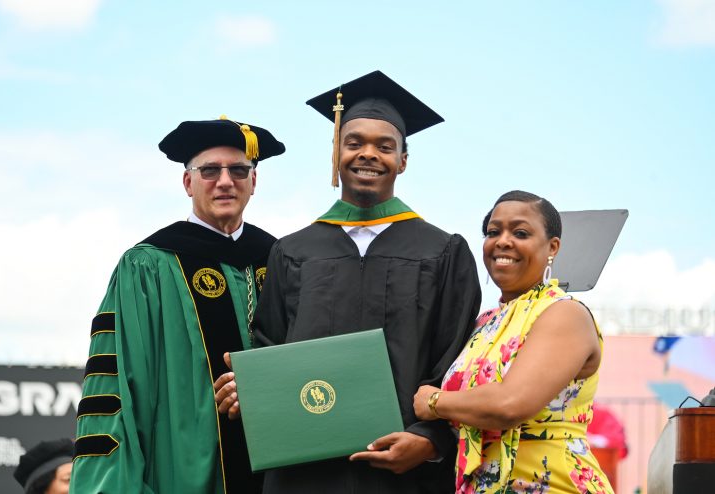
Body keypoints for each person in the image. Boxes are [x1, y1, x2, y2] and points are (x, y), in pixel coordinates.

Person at [215, 70, 482, 493]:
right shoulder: (293, 251)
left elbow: (459, 361)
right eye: (354, 142)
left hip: (406, 473)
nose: (368, 155)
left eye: (385, 146)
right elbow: (270, 347)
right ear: (336, 150)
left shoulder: (443, 252)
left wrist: (430, 440)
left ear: (404, 161)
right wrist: (252, 387)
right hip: (304, 469)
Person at [70, 116, 285, 493]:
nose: (224, 181)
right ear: (188, 182)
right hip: (179, 473)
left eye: (238, 169)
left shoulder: (284, 262)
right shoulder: (148, 266)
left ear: (254, 181)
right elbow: (117, 388)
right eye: (209, 171)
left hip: (279, 470)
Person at [413, 190, 614, 494]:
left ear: (552, 247)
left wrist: (434, 401)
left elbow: (511, 403)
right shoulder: (483, 325)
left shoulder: (564, 314)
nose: (503, 241)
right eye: (493, 232)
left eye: (520, 232)